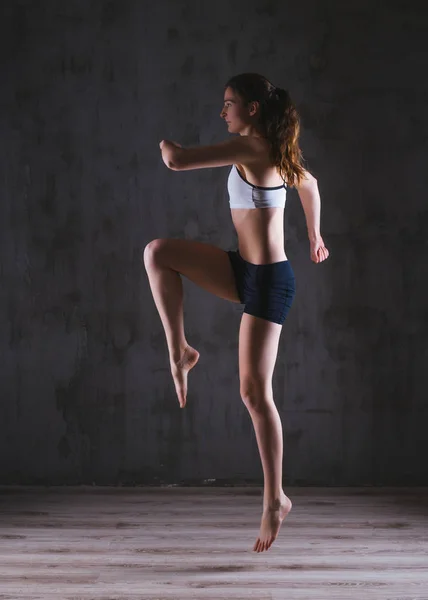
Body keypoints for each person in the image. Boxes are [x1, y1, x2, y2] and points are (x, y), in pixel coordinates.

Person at [143, 72, 329, 553]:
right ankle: (180, 350)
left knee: (253, 393)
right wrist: (314, 234)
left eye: (228, 104)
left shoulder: (254, 147)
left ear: (250, 109)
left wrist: (162, 143)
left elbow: (178, 160)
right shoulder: (277, 153)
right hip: (243, 268)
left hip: (269, 283)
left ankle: (275, 499)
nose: (222, 111)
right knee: (158, 252)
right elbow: (308, 184)